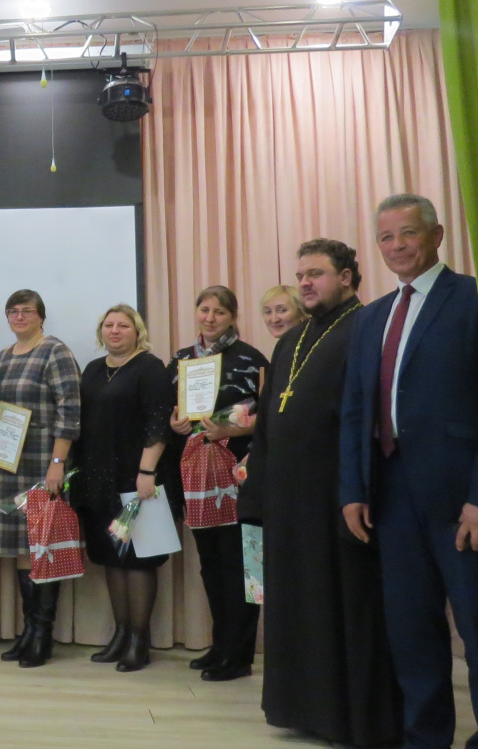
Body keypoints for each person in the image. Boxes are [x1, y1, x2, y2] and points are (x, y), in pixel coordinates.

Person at [341, 194, 478, 749]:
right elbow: (355, 411)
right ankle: (425, 738)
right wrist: (352, 490)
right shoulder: (370, 317)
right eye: (386, 237)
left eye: (408, 233)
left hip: (464, 503)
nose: (397, 246)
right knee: (411, 632)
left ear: (437, 235)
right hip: (390, 500)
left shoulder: (477, 300)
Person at [251, 240, 402, 746]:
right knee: (297, 603)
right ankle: (303, 710)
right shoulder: (290, 341)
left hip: (339, 496)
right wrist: (259, 493)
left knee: (345, 605)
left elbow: (373, 418)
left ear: (346, 277)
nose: (305, 284)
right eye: (301, 276)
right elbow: (268, 422)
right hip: (288, 499)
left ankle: (351, 719)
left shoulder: (367, 327)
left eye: (315, 274)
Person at [167, 286, 268, 682]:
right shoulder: (181, 359)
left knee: (243, 564)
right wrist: (175, 423)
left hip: (241, 474)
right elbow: (171, 412)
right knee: (211, 564)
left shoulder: (251, 359)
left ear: (232, 317)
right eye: (204, 310)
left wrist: (233, 428)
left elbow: (271, 416)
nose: (210, 318)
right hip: (197, 475)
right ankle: (221, 645)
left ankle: (240, 655)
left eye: (219, 312)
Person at [72, 304, 176, 673]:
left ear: (137, 331)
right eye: (109, 325)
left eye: (123, 325)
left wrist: (147, 470)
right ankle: (120, 635)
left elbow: (158, 422)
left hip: (137, 480)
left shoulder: (150, 367)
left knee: (138, 559)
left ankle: (139, 641)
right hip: (97, 481)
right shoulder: (92, 369)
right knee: (111, 558)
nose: (115, 331)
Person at [0, 290, 81, 668]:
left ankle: (42, 635)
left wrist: (58, 462)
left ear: (41, 316)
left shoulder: (55, 351)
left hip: (43, 463)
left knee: (42, 547)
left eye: (27, 311)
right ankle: (28, 631)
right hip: (8, 464)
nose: (20, 316)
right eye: (13, 311)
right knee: (22, 550)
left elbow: (70, 411)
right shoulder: (3, 357)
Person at [236, 284, 309, 524]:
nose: (274, 318)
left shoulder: (310, 350)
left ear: (301, 312)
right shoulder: (283, 350)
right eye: (268, 312)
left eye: (282, 310)